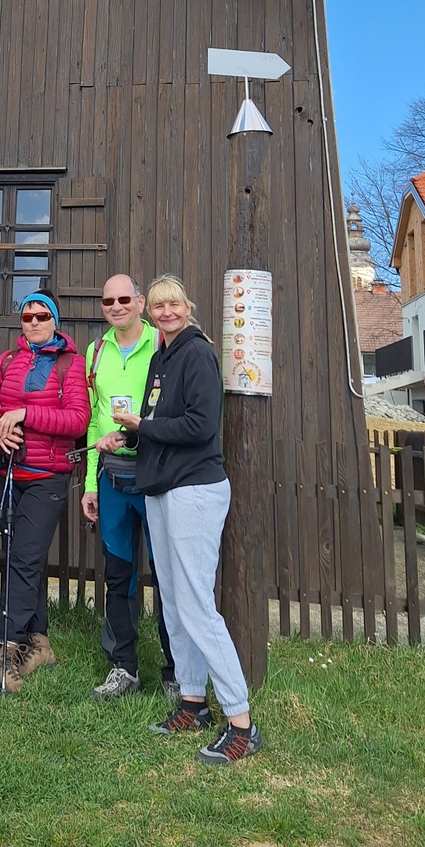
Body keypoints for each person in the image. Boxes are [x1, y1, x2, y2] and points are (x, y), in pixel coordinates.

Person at [119, 275, 264, 764]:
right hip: (162, 488)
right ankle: (192, 702)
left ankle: (242, 723)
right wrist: (128, 436)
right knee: (176, 603)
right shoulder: (161, 357)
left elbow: (201, 426)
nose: (166, 312)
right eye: (159, 306)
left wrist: (144, 426)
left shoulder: (198, 353)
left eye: (174, 304)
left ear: (188, 306)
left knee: (198, 605)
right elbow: (156, 422)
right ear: (149, 312)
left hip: (194, 489)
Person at [0, 292, 90, 692]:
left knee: (24, 556)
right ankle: (39, 641)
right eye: (28, 317)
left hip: (46, 475)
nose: (35, 322)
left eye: (42, 316)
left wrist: (24, 414)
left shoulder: (70, 364)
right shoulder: (7, 360)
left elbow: (77, 420)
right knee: (23, 556)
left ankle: (5, 649)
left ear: (55, 321)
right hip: (6, 471)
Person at [81, 274, 176, 700]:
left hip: (157, 476)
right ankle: (124, 668)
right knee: (118, 576)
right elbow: (92, 421)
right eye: (108, 301)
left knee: (168, 578)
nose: (116, 306)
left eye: (124, 299)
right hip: (112, 480)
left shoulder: (161, 342)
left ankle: (177, 672)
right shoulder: (96, 351)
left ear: (140, 302)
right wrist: (90, 484)